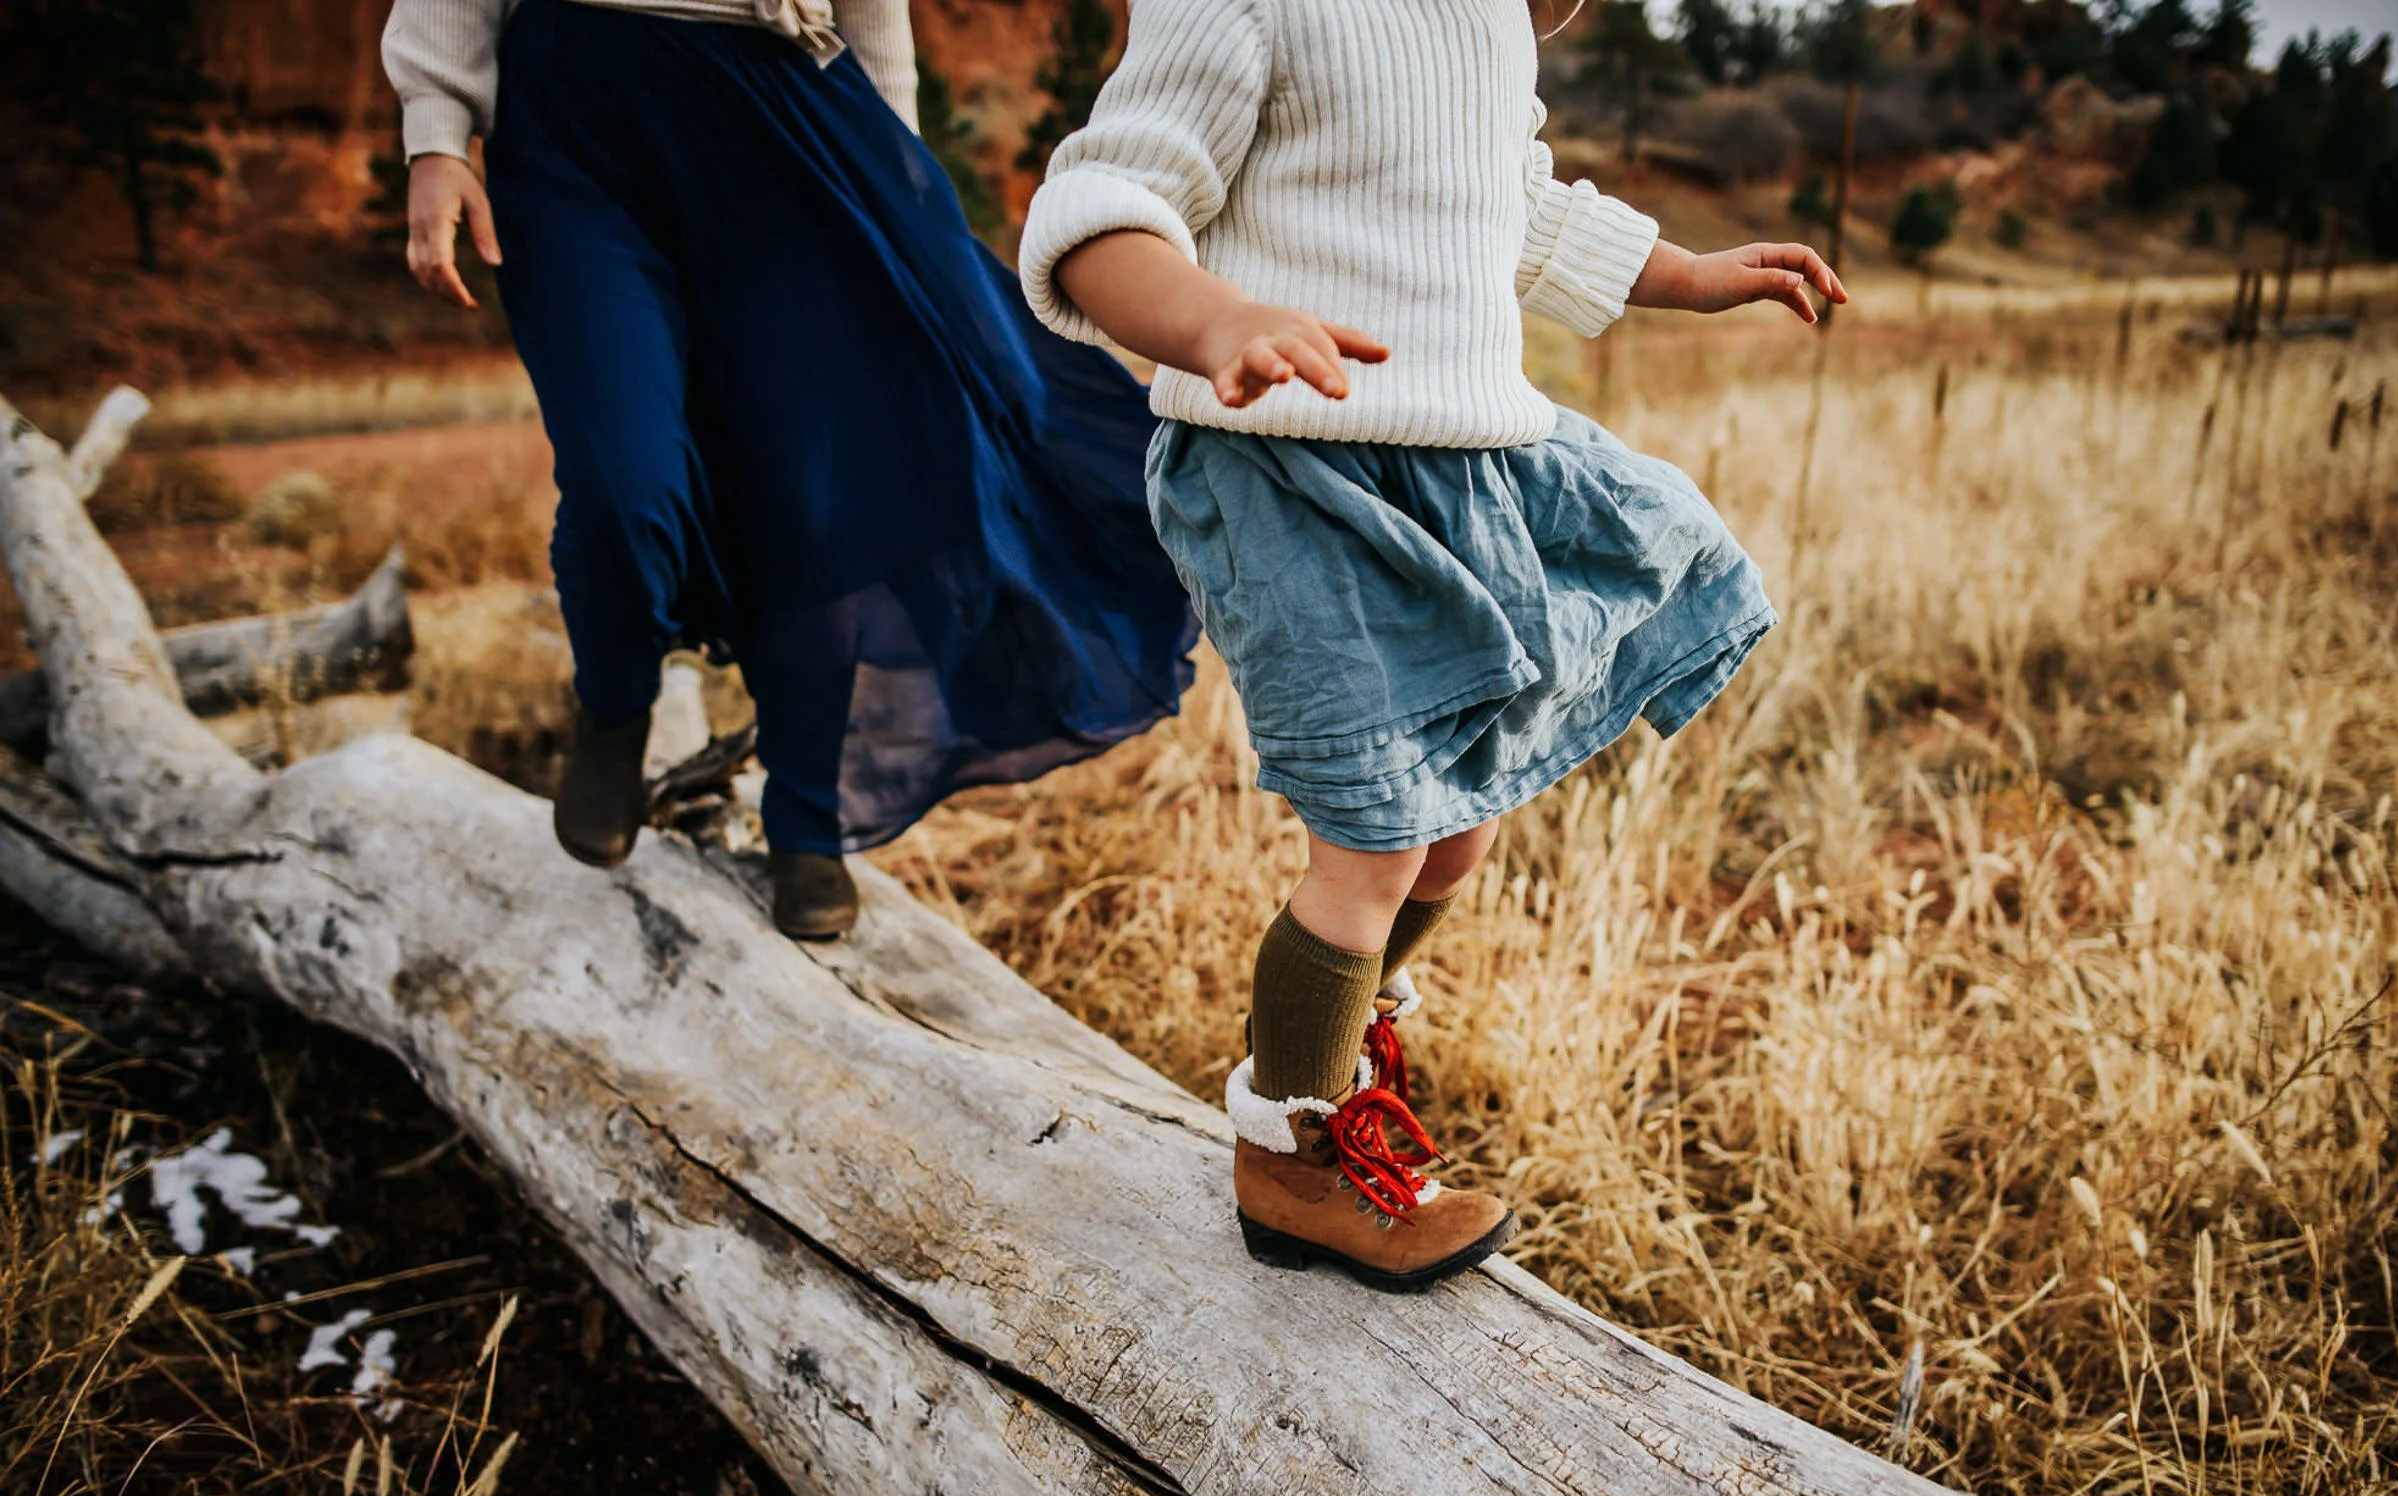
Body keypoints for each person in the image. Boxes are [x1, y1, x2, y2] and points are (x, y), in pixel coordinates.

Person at [1020, 0, 1844, 1289]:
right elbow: (1107, 207)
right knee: (1378, 832)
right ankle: (1290, 1153)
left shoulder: (1484, 25)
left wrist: (1685, 273)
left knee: (1461, 819)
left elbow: (1508, 195)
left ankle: (1327, 1052)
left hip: (1464, 460)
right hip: (1291, 469)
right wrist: (1216, 321)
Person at [382, 0, 1198, 937]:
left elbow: (874, 15)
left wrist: (892, 180)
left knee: (820, 492)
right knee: (625, 481)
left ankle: (808, 817)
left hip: (788, 116)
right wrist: (436, 135)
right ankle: (614, 700)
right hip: (575, 123)